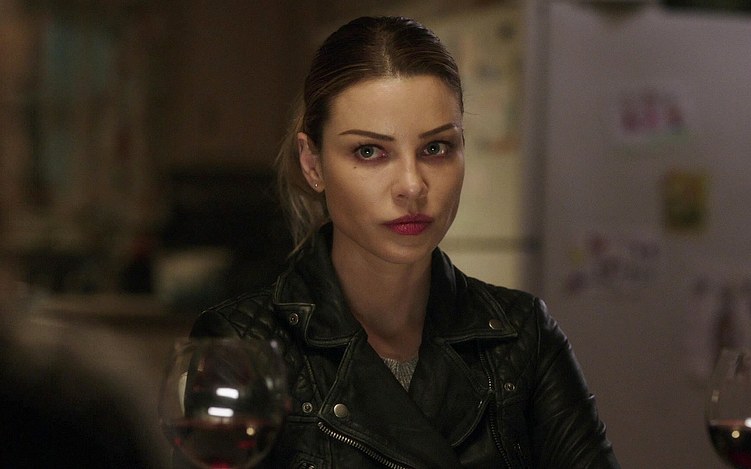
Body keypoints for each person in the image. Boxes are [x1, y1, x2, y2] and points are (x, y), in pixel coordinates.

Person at [189, 15, 620, 468]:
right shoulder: (242, 345)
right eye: (370, 151)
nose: (412, 185)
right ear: (313, 164)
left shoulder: (522, 334)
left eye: (435, 148)